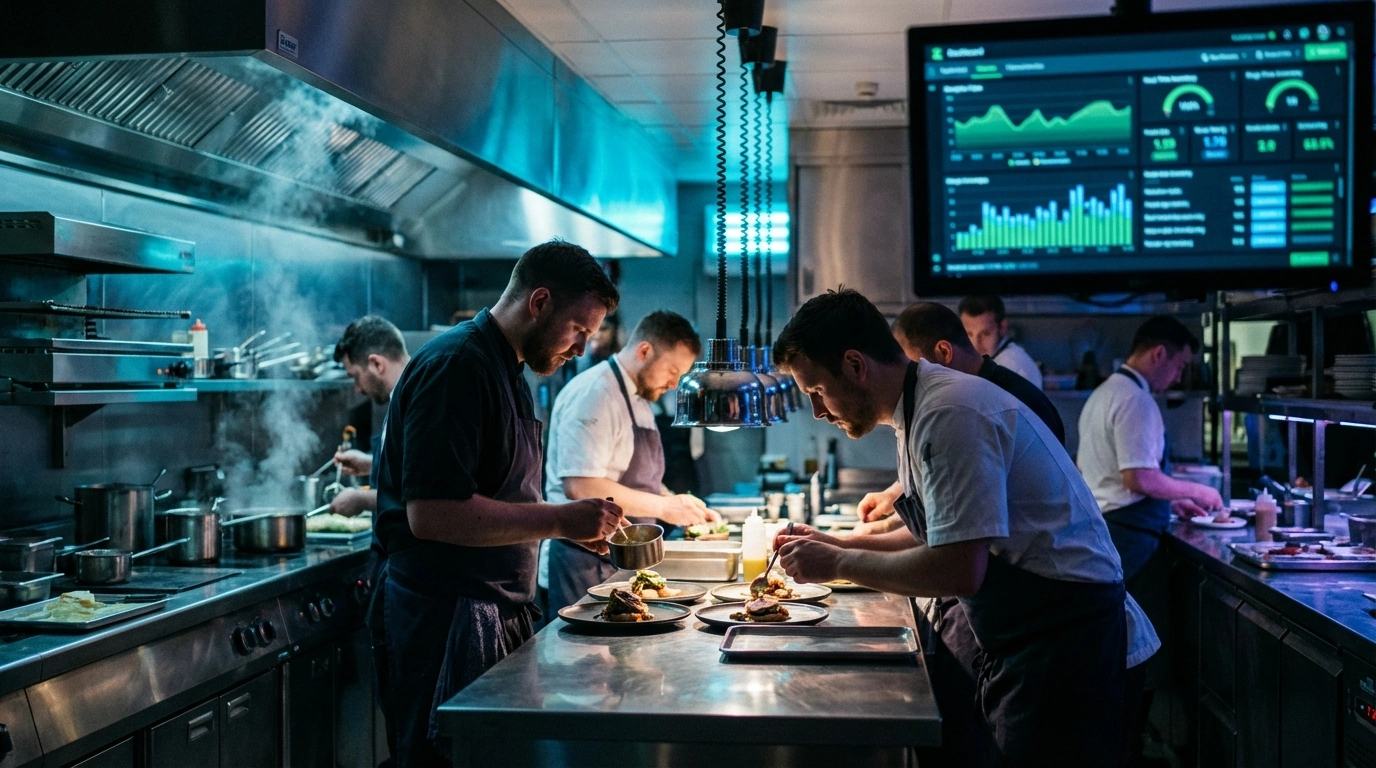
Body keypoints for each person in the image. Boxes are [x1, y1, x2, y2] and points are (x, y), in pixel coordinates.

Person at [771, 289, 1157, 768]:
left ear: (855, 365)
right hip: (1030, 641)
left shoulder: (949, 412)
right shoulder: (916, 409)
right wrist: (838, 541)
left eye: (816, 391)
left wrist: (838, 562)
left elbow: (958, 568)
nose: (817, 411)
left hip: (1067, 648)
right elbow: (943, 530)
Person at [373, 240, 627, 768]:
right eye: (578, 330)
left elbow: (503, 491)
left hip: (489, 611)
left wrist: (569, 526)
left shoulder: (508, 369)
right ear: (539, 302)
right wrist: (559, 519)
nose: (582, 349)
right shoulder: (457, 366)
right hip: (445, 621)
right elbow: (433, 514)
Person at [544, 311, 719, 613]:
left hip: (623, 559)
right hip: (585, 562)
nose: (675, 384)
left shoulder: (638, 397)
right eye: (672, 370)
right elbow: (580, 486)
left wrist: (679, 503)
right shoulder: (595, 394)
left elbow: (639, 480)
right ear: (645, 351)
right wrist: (664, 507)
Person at [855, 302, 1067, 537]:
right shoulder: (964, 399)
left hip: (1044, 550)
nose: (909, 384)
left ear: (944, 352)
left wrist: (869, 538)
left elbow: (968, 516)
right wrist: (896, 494)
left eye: (915, 370)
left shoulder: (980, 404)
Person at [1078, 316, 1223, 582]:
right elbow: (1138, 478)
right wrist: (1198, 491)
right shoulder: (1136, 400)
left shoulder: (1104, 392)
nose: (1178, 377)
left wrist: (1170, 502)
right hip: (1128, 537)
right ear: (1159, 354)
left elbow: (1112, 476)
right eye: (1180, 366)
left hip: (1105, 528)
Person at [330, 315, 411, 517]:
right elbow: (407, 467)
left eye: (355, 377)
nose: (357, 389)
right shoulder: (401, 400)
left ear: (376, 364)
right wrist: (371, 464)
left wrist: (362, 499)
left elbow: (427, 490)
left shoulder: (419, 403)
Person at [958, 294, 1043, 389]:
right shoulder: (990, 363)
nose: (975, 345)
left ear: (1002, 327)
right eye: (969, 334)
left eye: (985, 334)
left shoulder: (1012, 367)